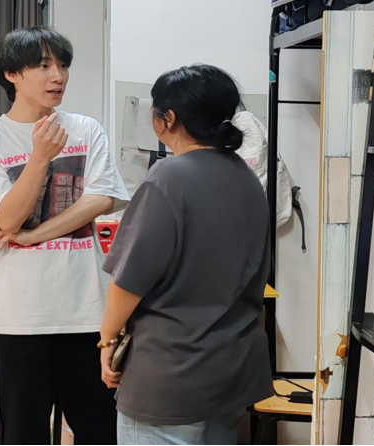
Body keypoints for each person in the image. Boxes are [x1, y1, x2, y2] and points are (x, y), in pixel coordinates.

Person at [0, 27, 130, 445]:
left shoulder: (86, 128)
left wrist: (34, 236)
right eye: (42, 66)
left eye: (63, 65)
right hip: (17, 315)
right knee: (22, 432)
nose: (57, 76)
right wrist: (39, 158)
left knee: (101, 429)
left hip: (87, 308)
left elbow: (102, 197)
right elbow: (8, 218)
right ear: (12, 74)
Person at [99, 65, 274, 446]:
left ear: (168, 118)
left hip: (171, 375)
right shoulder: (246, 178)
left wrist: (107, 340)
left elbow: (129, 281)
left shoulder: (168, 177)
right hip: (232, 369)